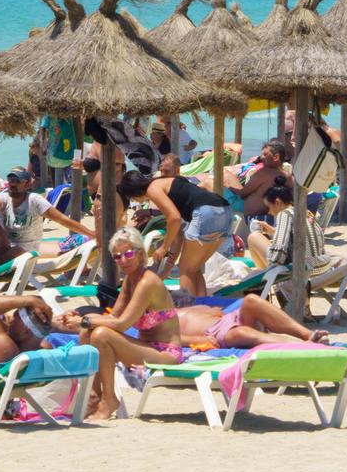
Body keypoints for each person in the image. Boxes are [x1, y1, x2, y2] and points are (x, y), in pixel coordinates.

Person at [71, 227, 188, 420]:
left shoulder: (147, 282)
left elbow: (122, 323)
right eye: (117, 257)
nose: (123, 260)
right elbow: (113, 316)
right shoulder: (130, 280)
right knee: (87, 333)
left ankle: (109, 400)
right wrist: (82, 322)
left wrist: (85, 320)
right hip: (146, 348)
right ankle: (94, 396)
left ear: (140, 253)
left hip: (167, 352)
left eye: (128, 254)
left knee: (100, 334)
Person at [116, 168, 230, 296]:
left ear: (134, 191)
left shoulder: (152, 188)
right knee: (194, 267)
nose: (134, 201)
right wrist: (167, 269)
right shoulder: (166, 183)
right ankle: (201, 305)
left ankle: (187, 307)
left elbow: (174, 218)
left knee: (186, 269)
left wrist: (164, 247)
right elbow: (178, 234)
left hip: (206, 211)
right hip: (224, 212)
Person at [0, 167, 95, 268]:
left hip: (24, 252)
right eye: (10, 179)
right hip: (1, 248)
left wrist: (90, 233)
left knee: (17, 250)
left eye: (17, 180)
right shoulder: (4, 198)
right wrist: (2, 234)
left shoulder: (34, 200)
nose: (12, 183)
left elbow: (62, 220)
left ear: (27, 184)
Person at [177, 293, 328, 347]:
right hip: (213, 332)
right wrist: (198, 339)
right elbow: (163, 338)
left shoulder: (184, 306)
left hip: (228, 318)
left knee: (251, 300)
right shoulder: (157, 317)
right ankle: (304, 345)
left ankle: (308, 334)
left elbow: (219, 312)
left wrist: (184, 298)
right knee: (240, 333)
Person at [245, 178, 331, 273]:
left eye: (269, 207)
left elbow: (278, 253)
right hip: (321, 267)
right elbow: (299, 235)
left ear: (277, 202)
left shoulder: (285, 214)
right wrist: (273, 231)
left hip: (302, 273)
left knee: (253, 237)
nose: (269, 212)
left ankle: (265, 279)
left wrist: (272, 266)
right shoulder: (304, 211)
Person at [217, 137, 290, 217]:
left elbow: (241, 194)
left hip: (244, 209)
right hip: (264, 212)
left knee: (210, 183)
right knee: (226, 175)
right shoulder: (288, 176)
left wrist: (228, 188)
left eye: (265, 154)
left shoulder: (264, 173)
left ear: (276, 157)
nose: (261, 157)